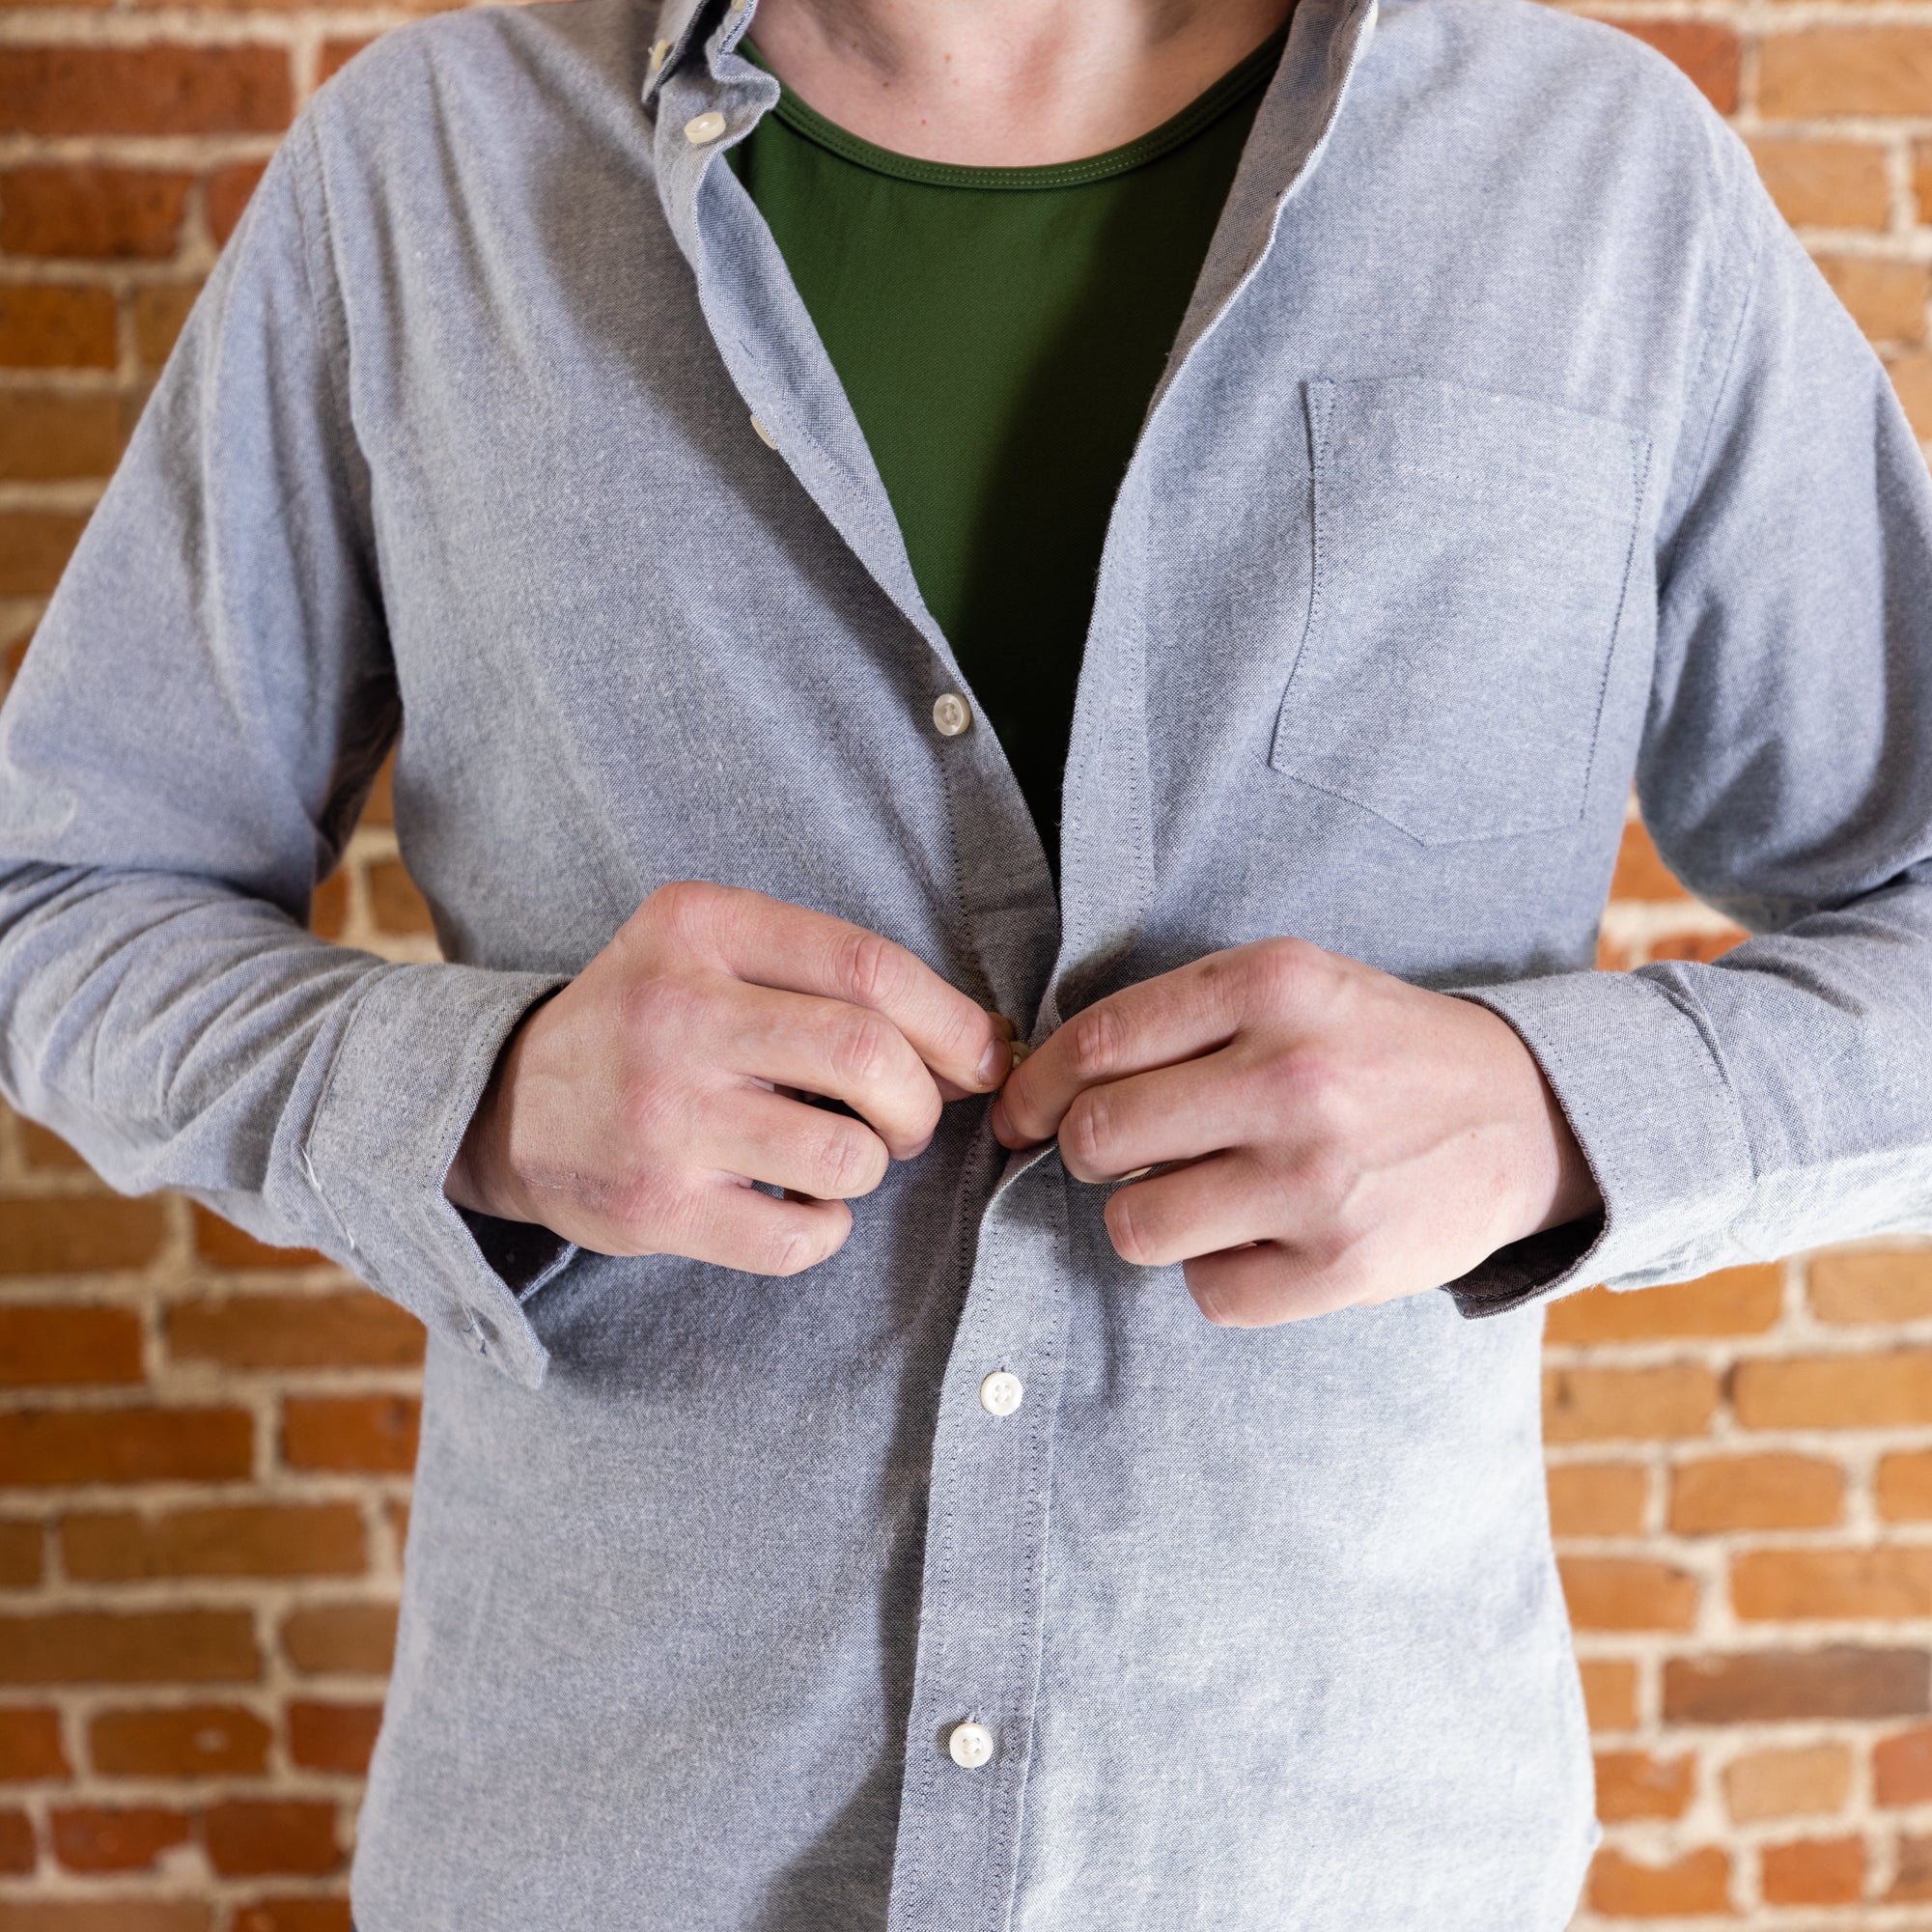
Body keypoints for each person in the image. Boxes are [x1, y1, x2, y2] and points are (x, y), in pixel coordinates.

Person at [2, 0, 1929, 1918]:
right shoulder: (419, 171)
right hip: (604, 1846)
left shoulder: (1593, 178)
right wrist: (484, 1099)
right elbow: (61, 897)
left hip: (1327, 1844)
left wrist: (1544, 1115)